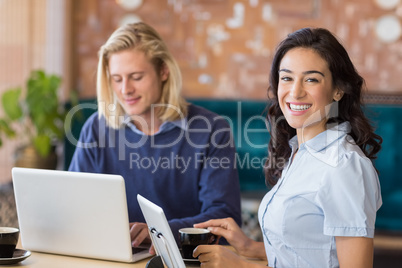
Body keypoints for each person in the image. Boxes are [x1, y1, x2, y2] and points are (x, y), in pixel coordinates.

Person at [193, 27, 383, 268]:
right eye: (287, 78)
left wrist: (243, 266)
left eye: (311, 79)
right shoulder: (300, 152)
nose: (295, 92)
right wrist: (249, 248)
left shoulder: (343, 165)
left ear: (338, 90)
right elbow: (311, 255)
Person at [68, 22, 242, 250]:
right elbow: (72, 206)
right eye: (117, 79)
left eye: (136, 77)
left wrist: (159, 232)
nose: (125, 90)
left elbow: (224, 218)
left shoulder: (211, 130)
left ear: (163, 71)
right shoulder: (96, 129)